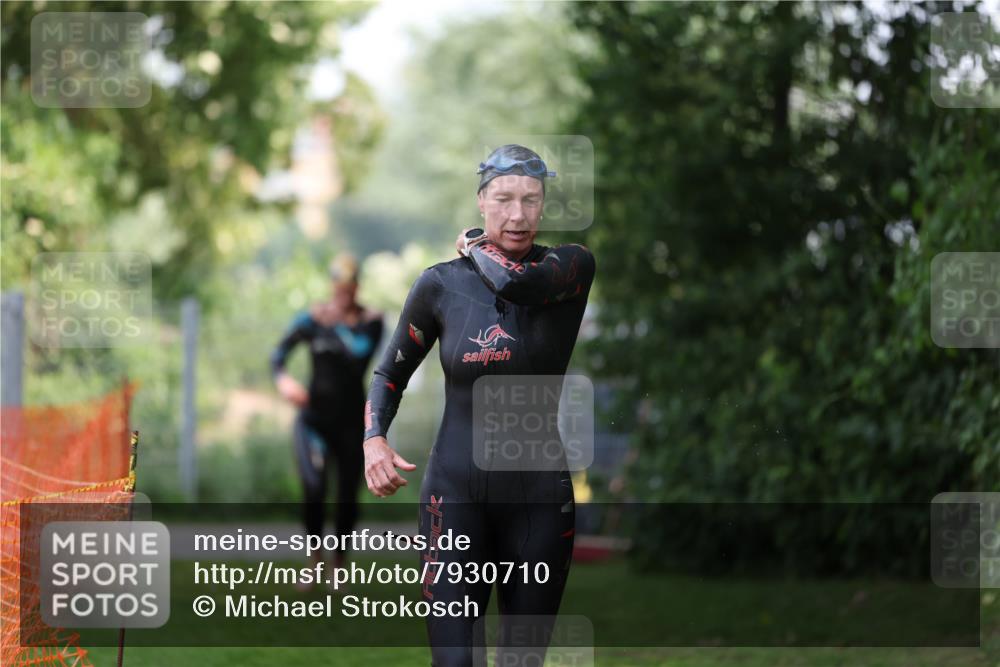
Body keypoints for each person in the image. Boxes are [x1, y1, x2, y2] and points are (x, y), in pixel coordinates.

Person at [362, 144, 596, 665]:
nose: (518, 214)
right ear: (482, 201)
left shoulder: (569, 268)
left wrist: (473, 243)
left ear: (543, 205)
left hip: (538, 500)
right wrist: (374, 439)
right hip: (454, 496)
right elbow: (389, 373)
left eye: (531, 200)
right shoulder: (440, 285)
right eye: (504, 199)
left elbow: (517, 282)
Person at [271, 253, 383, 590]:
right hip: (314, 422)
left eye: (349, 288)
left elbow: (358, 356)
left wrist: (334, 324)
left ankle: (338, 566)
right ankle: (314, 561)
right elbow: (278, 354)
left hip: (351, 423)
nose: (342, 294)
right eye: (338, 287)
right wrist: (283, 380)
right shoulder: (312, 320)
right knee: (314, 488)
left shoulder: (371, 322)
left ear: (357, 287)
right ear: (332, 286)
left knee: (347, 494)